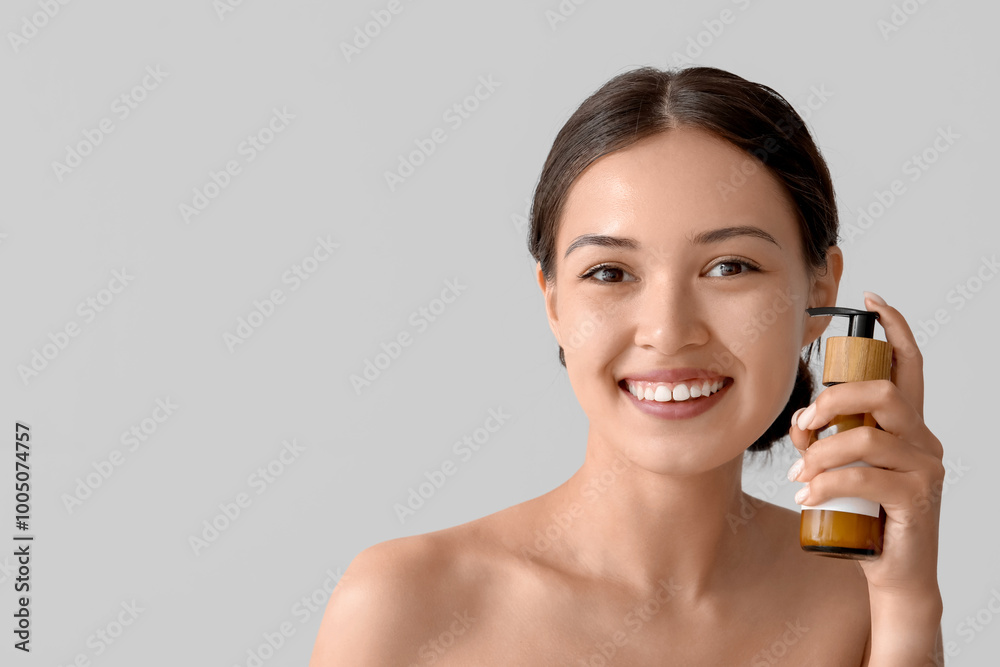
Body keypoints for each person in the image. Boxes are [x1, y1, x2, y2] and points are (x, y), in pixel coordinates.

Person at [310, 65, 945, 665]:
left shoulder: (860, 597)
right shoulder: (405, 606)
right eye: (609, 272)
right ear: (553, 302)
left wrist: (906, 601)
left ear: (817, 293)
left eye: (729, 267)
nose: (668, 333)